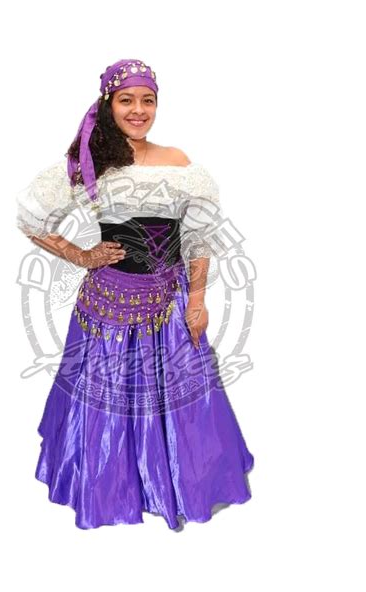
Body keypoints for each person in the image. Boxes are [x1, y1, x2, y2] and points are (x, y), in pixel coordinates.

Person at [15, 58, 255, 531]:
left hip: (169, 302)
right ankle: (108, 482)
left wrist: (197, 299)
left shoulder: (180, 164)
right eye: (127, 100)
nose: (139, 110)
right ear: (109, 104)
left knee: (183, 395)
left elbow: (198, 238)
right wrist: (80, 255)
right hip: (107, 302)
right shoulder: (91, 163)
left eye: (148, 100)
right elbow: (31, 217)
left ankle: (180, 481)